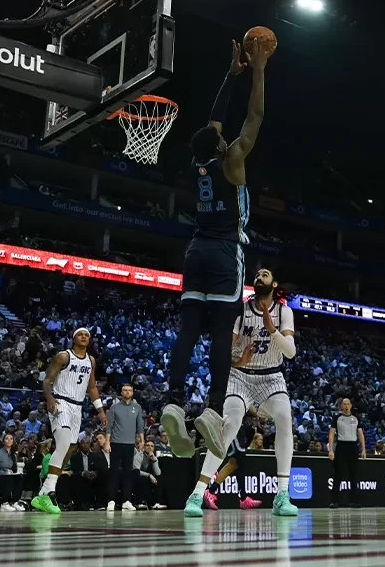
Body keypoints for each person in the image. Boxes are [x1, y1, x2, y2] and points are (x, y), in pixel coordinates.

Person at [162, 34, 271, 459]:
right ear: (222, 143)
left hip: (195, 251)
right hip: (226, 251)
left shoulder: (201, 161)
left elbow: (215, 120)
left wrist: (230, 76)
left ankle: (172, 399)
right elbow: (255, 115)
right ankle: (211, 407)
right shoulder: (233, 161)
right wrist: (258, 71)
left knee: (189, 329)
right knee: (221, 333)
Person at [186, 268, 298, 518]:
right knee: (230, 424)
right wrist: (237, 361)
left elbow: (290, 352)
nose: (260, 277)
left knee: (284, 418)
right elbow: (224, 351)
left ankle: (282, 495)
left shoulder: (284, 311)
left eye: (265, 274)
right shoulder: (242, 308)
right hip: (240, 375)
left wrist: (272, 330)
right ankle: (196, 493)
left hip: (271, 375)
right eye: (257, 275)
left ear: (274, 283)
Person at [32, 327, 107, 514]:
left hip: (77, 407)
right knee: (64, 443)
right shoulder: (63, 356)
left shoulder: (91, 361)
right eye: (80, 334)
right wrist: (49, 398)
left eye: (87, 335)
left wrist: (100, 410)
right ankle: (47, 492)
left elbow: (91, 388)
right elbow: (47, 380)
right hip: (61, 401)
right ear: (74, 339)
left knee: (72, 448)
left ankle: (44, 492)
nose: (84, 337)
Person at [106, 383, 145, 512]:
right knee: (114, 472)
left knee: (128, 473)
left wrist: (142, 440)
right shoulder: (114, 407)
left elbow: (140, 425)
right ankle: (111, 500)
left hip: (130, 444)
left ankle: (126, 501)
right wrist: (107, 442)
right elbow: (109, 426)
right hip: (116, 443)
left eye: (130, 390)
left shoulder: (137, 407)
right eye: (125, 390)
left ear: (133, 392)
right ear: (121, 393)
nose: (127, 392)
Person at [329, 397, 365, 508]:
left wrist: (363, 449)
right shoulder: (337, 418)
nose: (346, 406)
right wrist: (331, 449)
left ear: (351, 405)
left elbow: (360, 434)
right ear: (341, 406)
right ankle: (335, 501)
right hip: (341, 446)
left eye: (348, 404)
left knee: (353, 474)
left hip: (353, 447)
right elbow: (331, 434)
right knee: (338, 474)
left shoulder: (355, 418)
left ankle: (355, 501)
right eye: (344, 404)